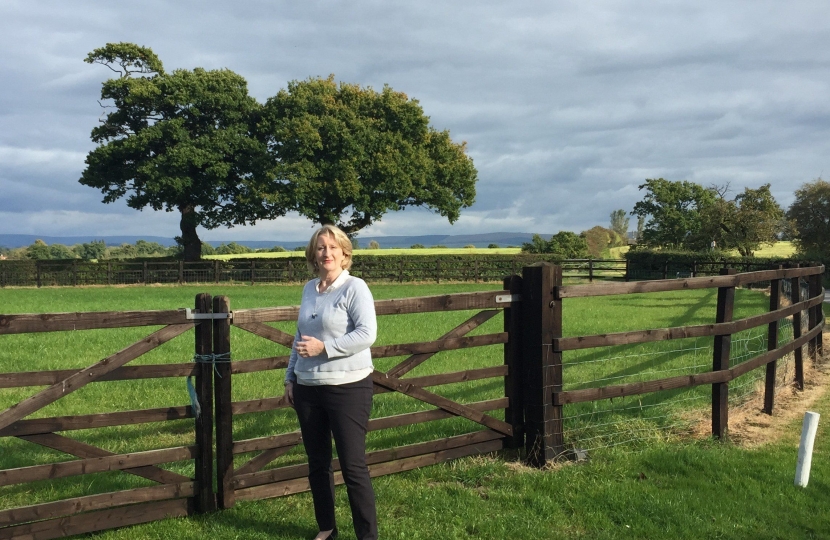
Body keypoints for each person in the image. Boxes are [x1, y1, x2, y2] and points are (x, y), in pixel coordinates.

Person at [284, 224, 378, 540]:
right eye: (321, 247)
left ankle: (367, 535)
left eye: (333, 247)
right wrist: (290, 377)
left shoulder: (355, 288)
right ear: (313, 254)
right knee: (318, 464)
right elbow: (300, 336)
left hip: (348, 388)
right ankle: (327, 529)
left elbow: (367, 334)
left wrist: (326, 348)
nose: (327, 253)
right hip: (307, 387)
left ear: (344, 253)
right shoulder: (310, 288)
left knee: (353, 467)